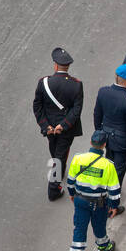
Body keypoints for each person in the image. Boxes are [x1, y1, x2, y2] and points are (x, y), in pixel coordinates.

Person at [32, 47, 85, 201]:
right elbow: (76, 110)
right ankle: (53, 190)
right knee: (59, 156)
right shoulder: (76, 85)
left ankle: (58, 174)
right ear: (67, 66)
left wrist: (45, 125)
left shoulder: (44, 82)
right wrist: (64, 125)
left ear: (55, 65)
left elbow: (37, 106)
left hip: (49, 127)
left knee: (56, 152)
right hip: (65, 129)